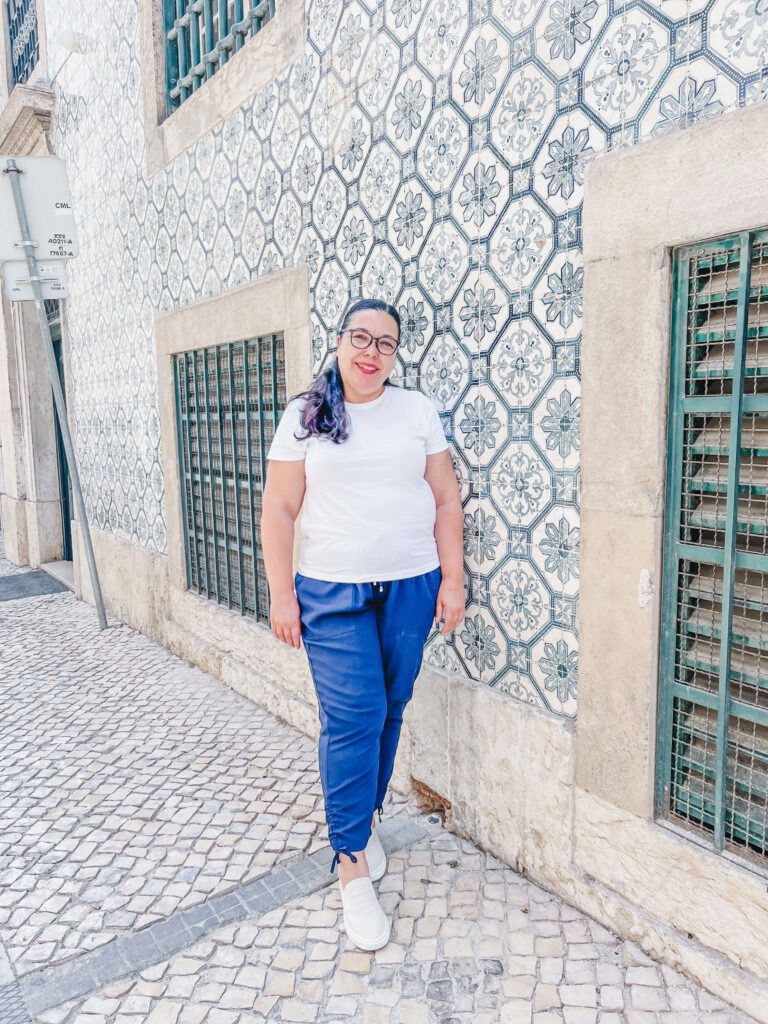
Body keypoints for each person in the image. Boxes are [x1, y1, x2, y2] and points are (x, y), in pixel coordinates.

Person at [260, 298, 464, 951]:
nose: (371, 351)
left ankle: (364, 820)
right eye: (360, 337)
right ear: (340, 342)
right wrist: (281, 594)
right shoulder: (306, 416)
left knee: (391, 709)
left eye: (386, 342)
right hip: (330, 590)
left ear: (396, 353)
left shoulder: (417, 412)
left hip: (411, 583)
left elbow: (445, 498)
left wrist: (453, 581)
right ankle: (351, 864)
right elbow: (279, 507)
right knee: (353, 718)